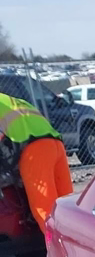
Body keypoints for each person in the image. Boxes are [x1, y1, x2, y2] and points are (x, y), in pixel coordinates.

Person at [0, 92, 73, 236]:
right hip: (54, 143)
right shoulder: (9, 99)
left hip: (34, 149)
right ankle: (77, 249)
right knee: (67, 207)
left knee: (44, 211)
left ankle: (58, 253)